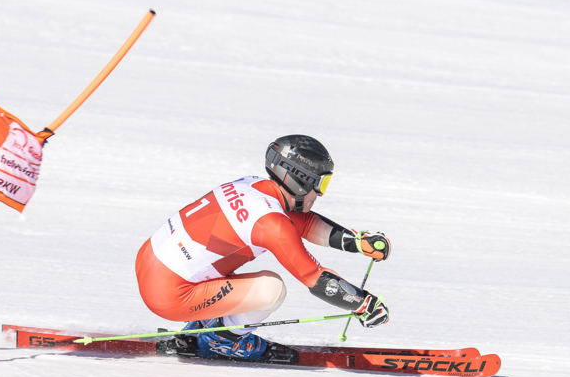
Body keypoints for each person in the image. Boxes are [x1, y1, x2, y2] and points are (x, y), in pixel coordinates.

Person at [134, 134, 391, 361]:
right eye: (321, 184)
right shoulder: (271, 223)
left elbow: (301, 222)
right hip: (169, 295)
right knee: (271, 289)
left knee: (229, 263)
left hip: (150, 262)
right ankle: (223, 340)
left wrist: (356, 242)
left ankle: (207, 324)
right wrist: (363, 305)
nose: (320, 194)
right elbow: (318, 280)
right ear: (300, 181)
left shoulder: (252, 185)